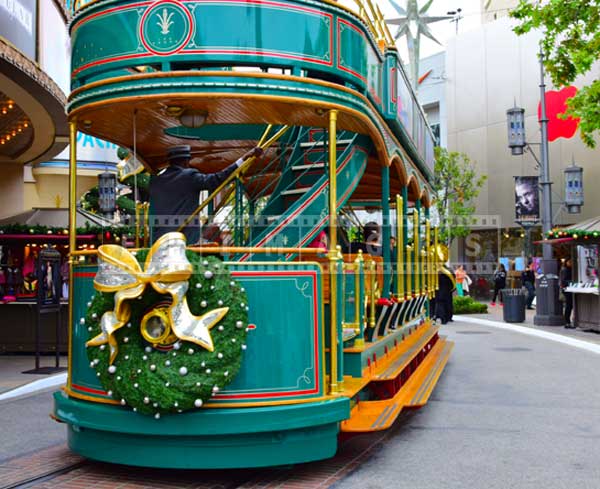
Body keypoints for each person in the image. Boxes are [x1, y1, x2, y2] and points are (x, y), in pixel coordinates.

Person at [149, 145, 263, 243]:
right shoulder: (189, 176)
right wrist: (243, 159)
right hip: (183, 239)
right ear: (186, 162)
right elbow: (216, 179)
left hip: (159, 240)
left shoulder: (156, 181)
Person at [560, 259, 574, 328]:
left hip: (570, 289)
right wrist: (572, 282)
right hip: (567, 290)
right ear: (566, 262)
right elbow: (563, 281)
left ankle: (568, 321)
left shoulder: (570, 269)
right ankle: (567, 321)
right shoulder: (565, 270)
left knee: (570, 305)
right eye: (569, 262)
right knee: (569, 305)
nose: (571, 263)